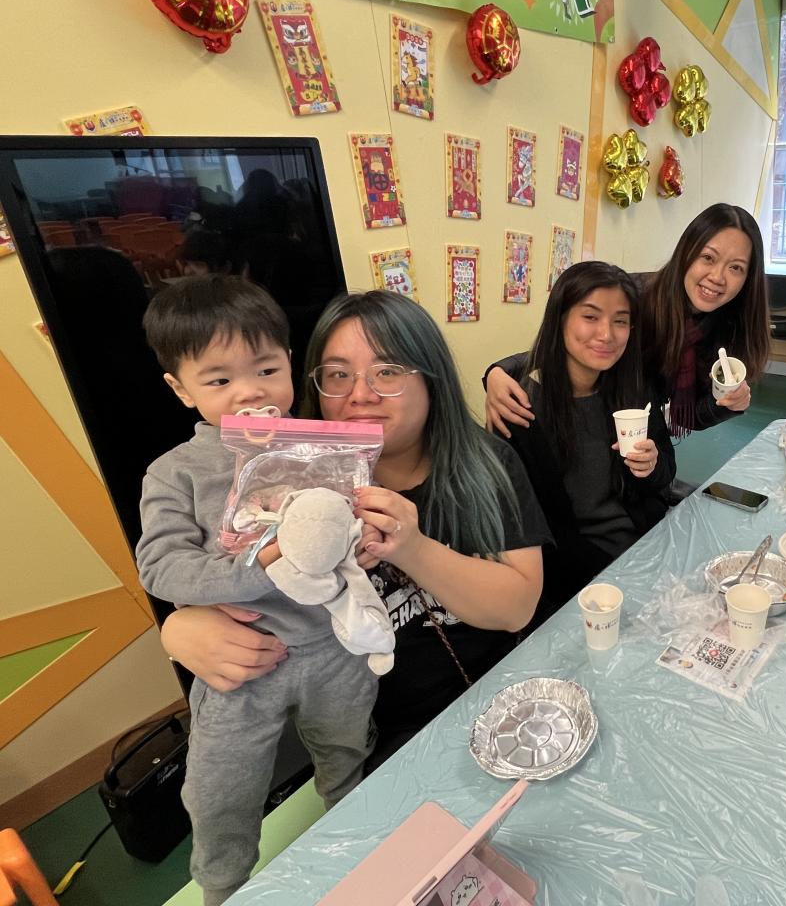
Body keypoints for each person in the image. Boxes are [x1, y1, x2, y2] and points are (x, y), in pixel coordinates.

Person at [158, 290, 552, 770]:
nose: (361, 394)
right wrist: (180, 626)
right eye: (338, 375)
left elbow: (516, 608)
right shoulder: (278, 475)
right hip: (368, 741)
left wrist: (412, 548)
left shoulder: (487, 465)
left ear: (431, 377)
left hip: (494, 702)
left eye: (387, 372)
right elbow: (226, 566)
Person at [135, 275, 380, 906]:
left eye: (266, 369)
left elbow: (351, 529)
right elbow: (160, 566)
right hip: (240, 662)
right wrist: (260, 566)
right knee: (219, 791)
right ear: (180, 389)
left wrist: (366, 537)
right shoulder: (175, 472)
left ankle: (360, 852)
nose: (250, 391)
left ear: (290, 365)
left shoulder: (324, 447)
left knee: (348, 755)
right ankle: (222, 887)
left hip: (335, 647)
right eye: (219, 380)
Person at [484, 203, 771, 440]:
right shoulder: (635, 297)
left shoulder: (731, 327)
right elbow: (570, 346)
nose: (718, 277)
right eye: (708, 257)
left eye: (736, 268)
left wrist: (726, 404)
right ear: (686, 253)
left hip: (642, 436)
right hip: (589, 421)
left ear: (749, 278)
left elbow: (686, 417)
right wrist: (499, 371)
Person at [503, 261, 676, 625]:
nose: (607, 334)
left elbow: (664, 478)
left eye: (620, 321)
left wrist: (653, 466)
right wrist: (617, 578)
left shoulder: (634, 391)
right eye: (590, 317)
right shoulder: (521, 409)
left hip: (647, 550)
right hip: (580, 580)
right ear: (560, 319)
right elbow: (530, 533)